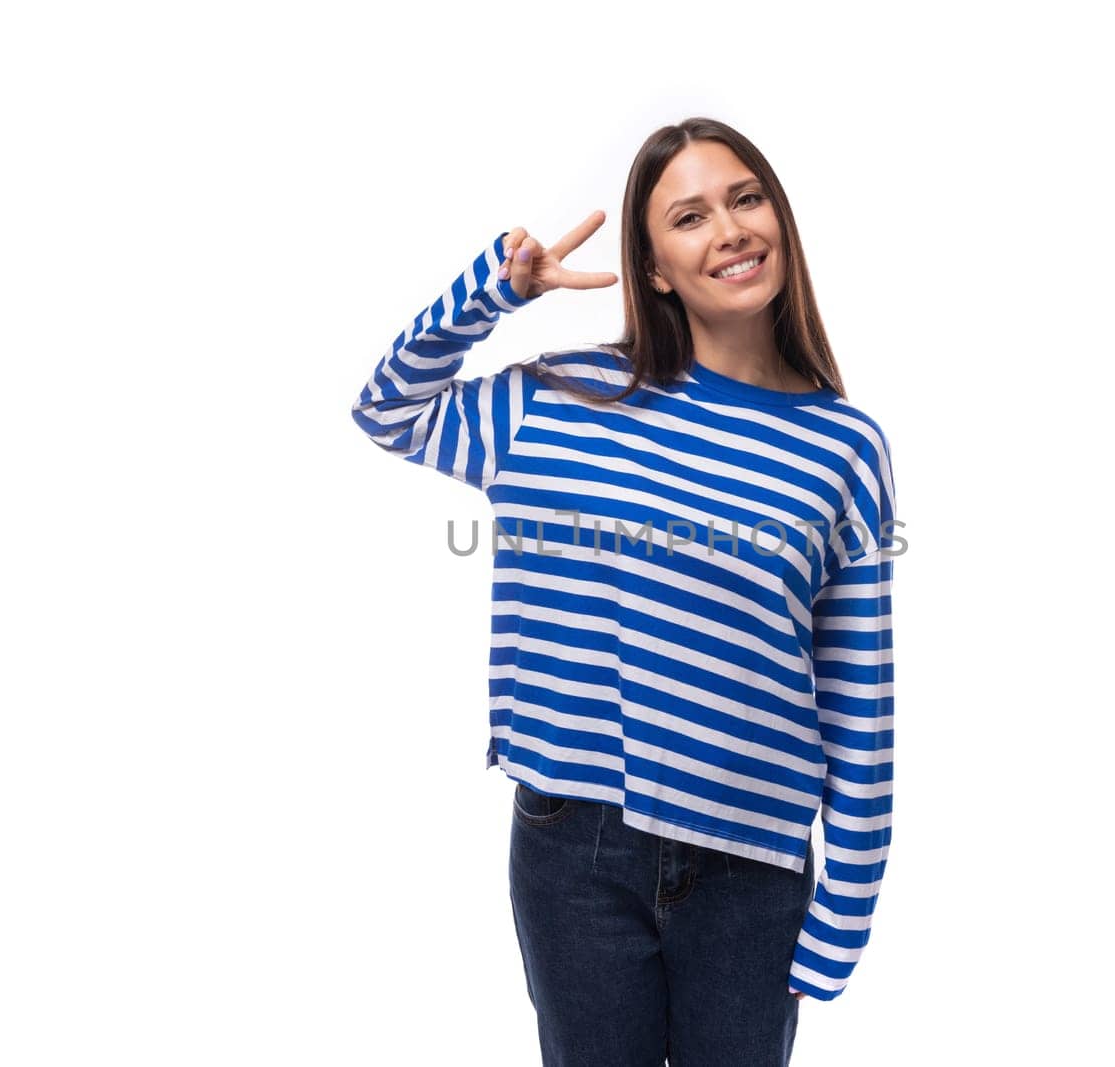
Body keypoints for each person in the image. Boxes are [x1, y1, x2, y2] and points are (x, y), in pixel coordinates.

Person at [350, 116, 898, 1066]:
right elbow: (387, 408)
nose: (727, 229)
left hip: (751, 870)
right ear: (652, 267)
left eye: (745, 199)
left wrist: (845, 901)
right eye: (689, 216)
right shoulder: (555, 397)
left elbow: (860, 697)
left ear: (780, 220)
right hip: (573, 853)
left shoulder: (843, 447)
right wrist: (494, 292)